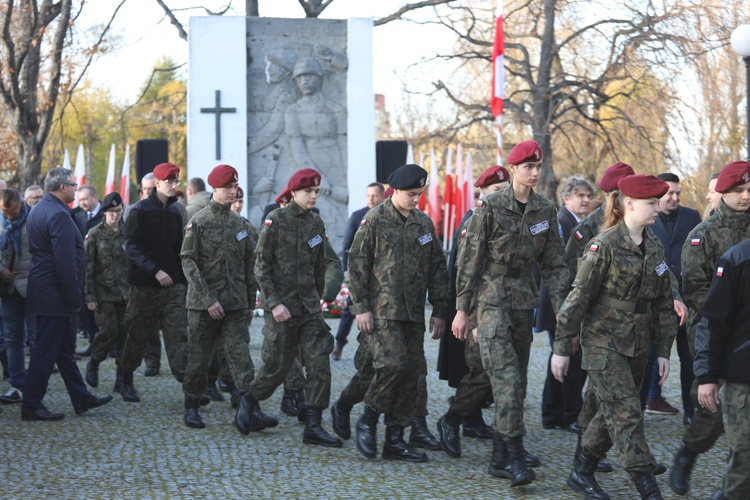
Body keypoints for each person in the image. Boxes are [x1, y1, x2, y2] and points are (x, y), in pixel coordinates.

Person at [552, 174, 675, 500]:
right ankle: (648, 487)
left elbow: (663, 303)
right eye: (651, 203)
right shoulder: (602, 245)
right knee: (626, 413)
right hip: (603, 342)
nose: (657, 209)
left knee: (608, 415)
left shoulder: (655, 246)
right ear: (629, 203)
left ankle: (582, 471)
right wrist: (562, 347)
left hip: (638, 343)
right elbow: (577, 298)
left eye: (657, 203)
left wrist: (664, 350)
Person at [453, 141, 568, 486]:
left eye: (538, 167)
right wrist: (462, 310)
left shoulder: (545, 210)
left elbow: (555, 265)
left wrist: (566, 311)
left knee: (516, 383)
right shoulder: (490, 207)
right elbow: (468, 260)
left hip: (522, 302)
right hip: (489, 300)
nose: (534, 173)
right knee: (505, 378)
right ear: (513, 168)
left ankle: (499, 457)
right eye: (527, 167)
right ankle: (516, 456)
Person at [348, 164, 449, 463]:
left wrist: (441, 310)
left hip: (413, 313)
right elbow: (357, 267)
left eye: (419, 194)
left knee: (411, 374)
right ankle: (368, 418)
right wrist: (361, 308)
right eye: (410, 194)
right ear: (394, 191)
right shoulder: (374, 220)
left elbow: (437, 270)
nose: (415, 199)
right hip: (382, 312)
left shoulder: (423, 224)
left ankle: (395, 438)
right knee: (392, 365)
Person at [236, 168, 341, 448]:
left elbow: (320, 265)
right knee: (276, 368)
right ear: (293, 193)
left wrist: (317, 297)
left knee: (320, 363)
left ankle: (314, 425)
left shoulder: (316, 224)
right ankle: (249, 400)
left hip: (309, 309)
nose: (313, 196)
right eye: (309, 191)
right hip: (281, 308)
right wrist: (274, 303)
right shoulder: (275, 220)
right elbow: (261, 266)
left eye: (317, 192)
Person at [669, 161, 750, 496]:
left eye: (749, 190)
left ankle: (733, 486)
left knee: (741, 425)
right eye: (738, 191)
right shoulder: (702, 235)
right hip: (714, 332)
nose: (746, 197)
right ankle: (688, 454)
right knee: (712, 410)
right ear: (722, 193)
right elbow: (697, 291)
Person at [180, 164, 268, 430]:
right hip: (203, 306)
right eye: (228, 187)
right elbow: (188, 262)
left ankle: (248, 408)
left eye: (234, 187)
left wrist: (250, 300)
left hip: (235, 304)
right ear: (215, 189)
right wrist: (208, 300)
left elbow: (249, 264)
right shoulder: (199, 222)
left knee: (241, 356)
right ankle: (192, 405)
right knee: (199, 358)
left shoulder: (241, 225)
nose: (233, 192)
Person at [21, 167, 112, 420]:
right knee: (45, 352)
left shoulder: (40, 209)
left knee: (62, 351)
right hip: (55, 293)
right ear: (62, 187)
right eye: (73, 185)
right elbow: (65, 261)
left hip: (45, 288)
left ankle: (80, 397)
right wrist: (74, 299)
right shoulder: (59, 214)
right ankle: (31, 405)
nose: (75, 188)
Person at [436, 165, 511, 460]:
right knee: (480, 371)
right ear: (481, 192)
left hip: (503, 307)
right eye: (495, 191)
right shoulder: (473, 220)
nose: (501, 196)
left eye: (504, 191)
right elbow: (462, 272)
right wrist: (462, 312)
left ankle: (476, 422)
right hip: (478, 309)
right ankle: (458, 418)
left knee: (493, 373)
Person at [119, 163, 189, 403]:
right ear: (156, 183)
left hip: (173, 287)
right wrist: (154, 270)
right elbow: (131, 247)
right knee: (137, 335)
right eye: (168, 181)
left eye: (176, 181)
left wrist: (183, 280)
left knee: (178, 336)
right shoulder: (139, 210)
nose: (172, 186)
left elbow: (179, 248)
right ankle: (125, 379)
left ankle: (190, 388)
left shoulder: (177, 211)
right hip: (143, 286)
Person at [641, 173, 701, 421]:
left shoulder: (692, 217)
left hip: (687, 300)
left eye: (678, 193)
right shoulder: (648, 219)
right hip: (658, 301)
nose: (674, 197)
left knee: (689, 359)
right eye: (669, 193)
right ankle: (648, 401)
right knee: (652, 356)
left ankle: (690, 410)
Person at [694, 239, 750, 500]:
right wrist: (707, 375)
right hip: (743, 381)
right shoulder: (737, 259)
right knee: (745, 461)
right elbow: (713, 321)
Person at [538, 175, 595, 434]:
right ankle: (570, 413)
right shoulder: (563, 223)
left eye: (587, 195)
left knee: (560, 358)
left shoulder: (577, 222)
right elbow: (561, 269)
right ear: (566, 198)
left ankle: (553, 412)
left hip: (566, 303)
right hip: (560, 303)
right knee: (571, 357)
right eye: (579, 195)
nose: (585, 200)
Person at [332, 182, 385, 360]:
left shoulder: (387, 217)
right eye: (368, 195)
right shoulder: (357, 217)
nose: (371, 198)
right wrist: (348, 271)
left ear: (382, 197)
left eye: (374, 195)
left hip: (382, 276)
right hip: (360, 274)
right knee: (351, 307)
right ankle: (339, 343)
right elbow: (347, 245)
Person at [83, 193, 129, 393]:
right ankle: (94, 362)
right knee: (108, 332)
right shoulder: (94, 234)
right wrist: (90, 297)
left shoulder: (129, 233)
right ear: (104, 213)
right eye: (111, 212)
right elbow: (87, 268)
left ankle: (122, 380)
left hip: (126, 294)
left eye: (118, 211)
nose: (114, 216)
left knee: (125, 336)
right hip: (103, 294)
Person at [0, 189, 36, 405]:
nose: (9, 217)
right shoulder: (1, 221)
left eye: (12, 213)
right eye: (5, 213)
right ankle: (17, 385)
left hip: (33, 287)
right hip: (8, 288)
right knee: (13, 339)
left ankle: (35, 385)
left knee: (37, 338)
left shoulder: (35, 219)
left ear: (22, 204)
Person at [123, 172, 161, 376]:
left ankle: (161, 362)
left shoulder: (170, 210)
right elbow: (127, 244)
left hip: (163, 275)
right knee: (142, 322)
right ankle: (145, 363)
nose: (148, 193)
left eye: (151, 189)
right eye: (145, 190)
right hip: (139, 273)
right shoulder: (131, 211)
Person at [74, 185, 103, 358]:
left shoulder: (106, 215)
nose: (82, 202)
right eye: (80, 199)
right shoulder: (78, 216)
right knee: (88, 309)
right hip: (84, 270)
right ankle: (93, 342)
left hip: (103, 270)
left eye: (85, 199)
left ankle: (111, 345)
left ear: (95, 197)